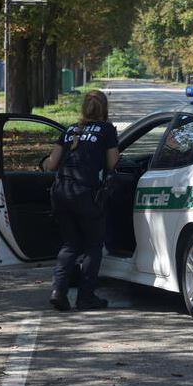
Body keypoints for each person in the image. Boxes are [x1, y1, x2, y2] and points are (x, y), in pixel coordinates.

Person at [44, 90, 119, 311]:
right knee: (93, 246)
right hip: (86, 195)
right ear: (104, 109)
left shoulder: (70, 130)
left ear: (83, 108)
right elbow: (113, 162)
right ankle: (86, 297)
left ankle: (59, 291)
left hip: (61, 192)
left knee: (70, 244)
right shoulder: (106, 130)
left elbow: (51, 164)